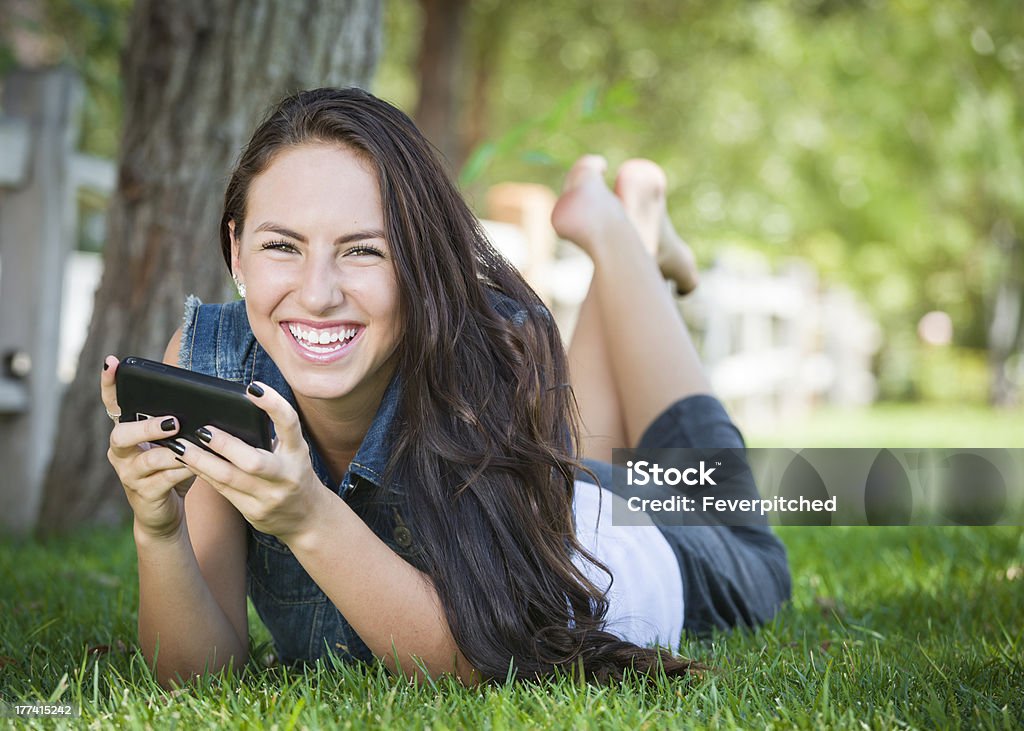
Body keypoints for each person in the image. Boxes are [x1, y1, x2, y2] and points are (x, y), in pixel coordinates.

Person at [100, 87, 789, 688]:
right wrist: (158, 529)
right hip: (553, 487)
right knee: (578, 450)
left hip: (625, 542)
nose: (317, 293)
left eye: (363, 249)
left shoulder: (494, 348)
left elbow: (475, 659)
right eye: (282, 245)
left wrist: (306, 513)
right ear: (236, 252)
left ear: (419, 261)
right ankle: (632, 231)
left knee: (749, 541)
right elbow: (196, 675)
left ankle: (618, 230)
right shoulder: (215, 364)